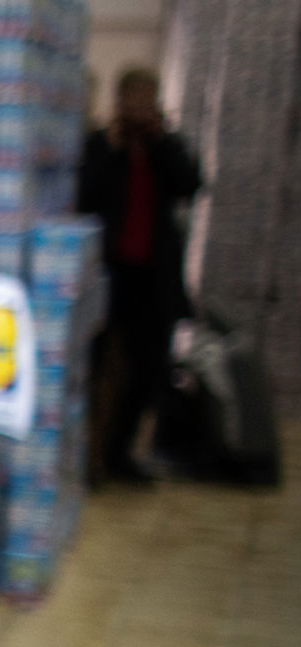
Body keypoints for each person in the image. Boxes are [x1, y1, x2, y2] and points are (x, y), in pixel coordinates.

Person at [76, 66, 203, 482]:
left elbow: (190, 186)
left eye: (146, 98)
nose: (138, 107)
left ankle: (120, 455)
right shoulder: (99, 144)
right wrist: (112, 148)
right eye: (132, 98)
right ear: (119, 100)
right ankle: (88, 458)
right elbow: (83, 198)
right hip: (108, 276)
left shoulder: (167, 145)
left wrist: (160, 141)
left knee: (146, 371)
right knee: (96, 373)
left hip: (153, 277)